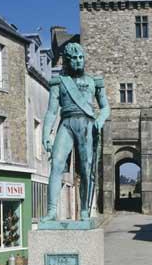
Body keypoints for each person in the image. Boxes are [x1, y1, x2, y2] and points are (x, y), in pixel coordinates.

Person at [41, 43, 110, 221]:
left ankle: (85, 210)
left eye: (81, 58)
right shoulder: (59, 82)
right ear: (68, 61)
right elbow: (51, 111)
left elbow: (105, 107)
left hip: (87, 124)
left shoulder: (94, 82)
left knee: (87, 170)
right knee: (56, 165)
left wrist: (101, 119)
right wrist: (45, 134)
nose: (79, 61)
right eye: (75, 58)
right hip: (66, 123)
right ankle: (51, 210)